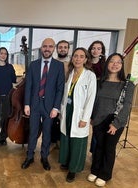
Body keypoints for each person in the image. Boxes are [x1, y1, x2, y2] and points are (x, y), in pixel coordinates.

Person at [87, 53, 134, 187]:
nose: (115, 64)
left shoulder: (127, 85)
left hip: (114, 121)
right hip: (98, 120)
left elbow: (127, 106)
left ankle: (105, 174)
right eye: (112, 61)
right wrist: (91, 117)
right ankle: (95, 170)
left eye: (118, 62)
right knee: (98, 146)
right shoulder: (99, 82)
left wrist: (116, 124)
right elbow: (94, 101)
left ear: (122, 65)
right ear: (107, 64)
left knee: (109, 147)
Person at [21, 38, 65, 171]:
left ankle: (44, 157)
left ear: (54, 48)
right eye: (45, 46)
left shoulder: (58, 66)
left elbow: (60, 88)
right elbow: (28, 86)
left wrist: (56, 107)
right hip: (34, 104)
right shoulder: (33, 65)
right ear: (41, 48)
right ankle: (29, 156)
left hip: (50, 106)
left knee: (47, 133)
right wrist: (26, 104)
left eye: (50, 46)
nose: (47, 49)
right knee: (33, 132)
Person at [59, 47, 97, 182]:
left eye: (81, 56)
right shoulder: (70, 73)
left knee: (77, 141)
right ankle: (66, 161)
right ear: (72, 58)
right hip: (67, 110)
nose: (78, 59)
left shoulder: (90, 76)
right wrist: (61, 110)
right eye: (75, 56)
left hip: (80, 113)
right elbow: (65, 95)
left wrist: (85, 118)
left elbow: (91, 99)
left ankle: (73, 169)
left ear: (86, 59)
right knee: (66, 137)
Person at [0, 47, 16, 145]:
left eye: (5, 54)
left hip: (7, 96)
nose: (3, 55)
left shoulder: (10, 67)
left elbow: (14, 80)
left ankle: (4, 136)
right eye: (1, 53)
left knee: (6, 117)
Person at [50, 39, 71, 151]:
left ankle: (61, 142)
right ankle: (53, 141)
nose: (62, 49)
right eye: (60, 47)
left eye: (65, 47)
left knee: (64, 119)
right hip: (54, 96)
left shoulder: (72, 63)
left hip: (67, 96)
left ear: (68, 49)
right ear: (57, 49)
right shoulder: (52, 62)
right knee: (53, 119)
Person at [88, 40, 106, 154]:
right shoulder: (86, 62)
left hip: (99, 95)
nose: (95, 50)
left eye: (98, 48)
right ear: (90, 49)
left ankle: (95, 151)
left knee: (96, 123)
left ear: (102, 51)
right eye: (93, 48)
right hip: (87, 93)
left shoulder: (105, 64)